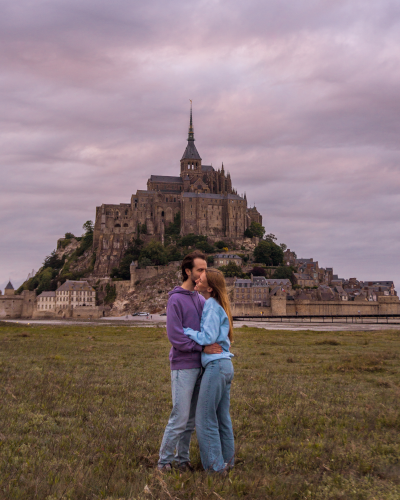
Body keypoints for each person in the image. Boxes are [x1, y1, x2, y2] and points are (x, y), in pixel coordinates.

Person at [158, 252, 222, 472]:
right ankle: (164, 462)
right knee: (179, 416)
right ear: (188, 271)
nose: (204, 274)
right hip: (183, 365)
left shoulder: (200, 299)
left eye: (206, 269)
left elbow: (207, 330)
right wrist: (201, 347)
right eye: (200, 270)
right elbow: (175, 337)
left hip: (201, 366)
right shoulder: (175, 299)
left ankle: (182, 459)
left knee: (191, 420)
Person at [183, 268, 235, 474]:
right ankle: (227, 462)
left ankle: (215, 468)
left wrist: (186, 331)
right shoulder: (218, 305)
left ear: (210, 287)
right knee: (222, 417)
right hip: (224, 366)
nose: (197, 279)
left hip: (216, 366)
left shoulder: (212, 306)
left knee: (205, 418)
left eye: (201, 279)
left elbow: (207, 338)